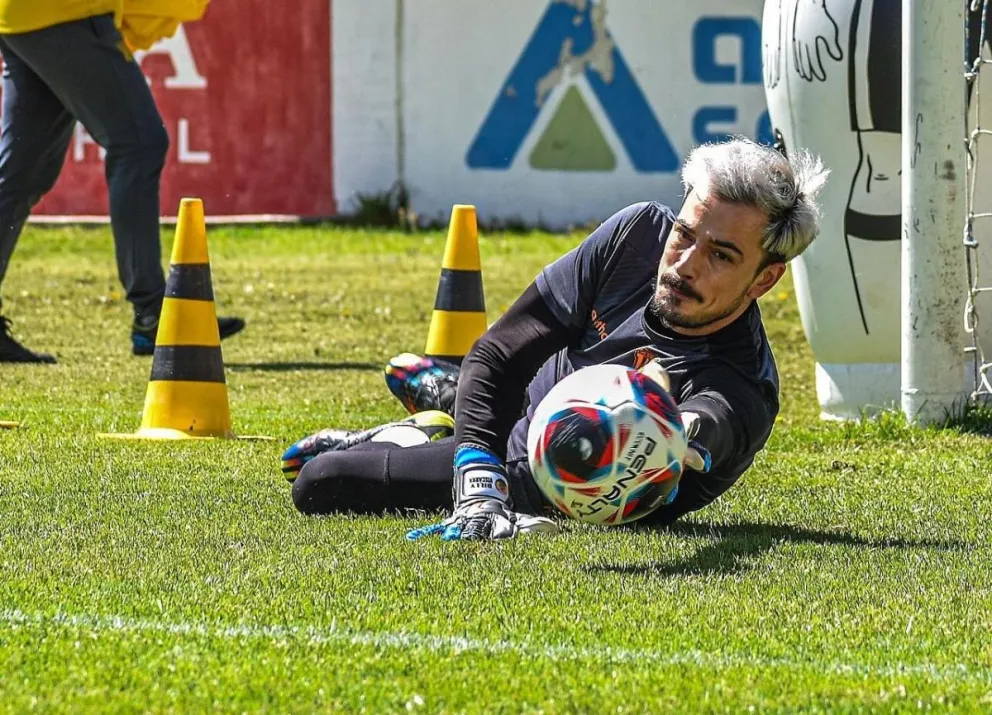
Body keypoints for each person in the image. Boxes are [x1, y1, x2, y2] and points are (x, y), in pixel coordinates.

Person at [285, 137, 829, 541]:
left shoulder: (742, 384)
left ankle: (424, 428)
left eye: (722, 255)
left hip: (545, 471)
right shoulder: (636, 236)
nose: (686, 264)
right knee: (478, 398)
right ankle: (446, 413)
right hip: (524, 403)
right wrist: (476, 472)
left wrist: (667, 423)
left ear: (764, 279)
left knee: (321, 480)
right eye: (684, 234)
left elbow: (708, 426)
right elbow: (501, 351)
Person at [0, 0, 242, 364]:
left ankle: (152, 310)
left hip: (22, 15)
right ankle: (152, 313)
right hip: (65, 14)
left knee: (22, 175)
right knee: (139, 142)